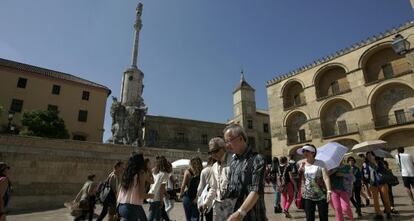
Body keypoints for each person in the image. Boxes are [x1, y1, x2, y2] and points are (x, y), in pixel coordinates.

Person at [224, 124, 267, 221]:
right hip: (234, 215)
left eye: (229, 141)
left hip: (253, 216)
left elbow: (256, 190)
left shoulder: (257, 159)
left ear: (240, 139)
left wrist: (240, 213)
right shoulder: (233, 162)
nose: (227, 145)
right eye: (225, 142)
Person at [202, 137, 234, 221]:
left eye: (215, 151)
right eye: (210, 152)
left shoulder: (233, 160)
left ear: (223, 148)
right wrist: (206, 202)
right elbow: (214, 187)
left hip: (232, 204)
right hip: (218, 205)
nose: (213, 154)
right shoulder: (214, 166)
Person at [297, 144, 331, 221]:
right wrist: (301, 171)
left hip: (321, 194)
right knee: (309, 218)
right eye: (303, 151)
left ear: (313, 152)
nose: (304, 152)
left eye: (307, 151)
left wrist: (329, 191)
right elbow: (303, 180)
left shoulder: (320, 163)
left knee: (323, 217)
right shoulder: (302, 164)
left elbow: (326, 177)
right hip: (308, 195)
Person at [118, 153, 153, 221]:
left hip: (121, 207)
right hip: (132, 209)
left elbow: (118, 191)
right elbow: (142, 195)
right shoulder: (141, 173)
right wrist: (151, 196)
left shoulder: (126, 173)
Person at [362, 151, 391, 220]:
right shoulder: (366, 164)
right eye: (368, 156)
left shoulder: (380, 162)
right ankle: (378, 214)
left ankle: (388, 212)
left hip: (382, 182)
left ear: (374, 155)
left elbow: (383, 170)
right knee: (375, 200)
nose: (369, 157)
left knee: (385, 198)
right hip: (373, 184)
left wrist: (375, 162)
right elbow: (365, 175)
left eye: (370, 155)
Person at [148, 156, 170, 221]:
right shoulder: (165, 174)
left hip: (151, 195)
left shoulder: (154, 171)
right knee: (152, 217)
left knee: (156, 217)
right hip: (156, 198)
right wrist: (161, 201)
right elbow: (161, 189)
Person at [197, 157, 215, 221]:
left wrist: (199, 197)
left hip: (207, 198)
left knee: (208, 217)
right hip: (217, 198)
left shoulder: (205, 170)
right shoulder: (220, 169)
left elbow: (200, 187)